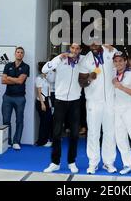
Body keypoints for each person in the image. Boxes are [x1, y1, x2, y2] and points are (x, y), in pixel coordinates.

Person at [43, 43, 83, 174]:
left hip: (75, 101)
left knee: (75, 134)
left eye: (77, 48)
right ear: (69, 49)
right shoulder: (60, 60)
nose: (74, 50)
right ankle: (55, 162)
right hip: (60, 101)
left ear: (80, 50)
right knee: (56, 133)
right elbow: (44, 69)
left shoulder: (82, 60)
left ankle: (72, 162)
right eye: (72, 48)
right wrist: (59, 57)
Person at [78, 42, 118, 174]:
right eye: (91, 45)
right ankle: (93, 163)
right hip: (93, 102)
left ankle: (108, 163)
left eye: (96, 44)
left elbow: (122, 61)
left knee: (109, 133)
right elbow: (81, 82)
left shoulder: (110, 52)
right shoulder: (86, 60)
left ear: (101, 43)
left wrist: (111, 48)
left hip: (110, 101)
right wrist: (89, 78)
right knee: (93, 133)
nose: (93, 46)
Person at [1, 47, 30, 150]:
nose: (20, 54)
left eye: (22, 53)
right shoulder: (8, 65)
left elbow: (20, 81)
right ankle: (7, 141)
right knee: (6, 120)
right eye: (18, 52)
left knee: (19, 121)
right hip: (7, 97)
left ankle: (16, 141)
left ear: (23, 55)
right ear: (15, 53)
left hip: (20, 98)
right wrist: (14, 79)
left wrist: (9, 77)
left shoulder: (26, 67)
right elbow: (3, 81)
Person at [35, 61, 53, 147]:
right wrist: (42, 104)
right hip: (41, 101)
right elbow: (39, 92)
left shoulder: (47, 78)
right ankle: (41, 141)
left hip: (47, 100)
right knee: (44, 122)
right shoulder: (39, 78)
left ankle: (45, 139)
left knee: (47, 121)